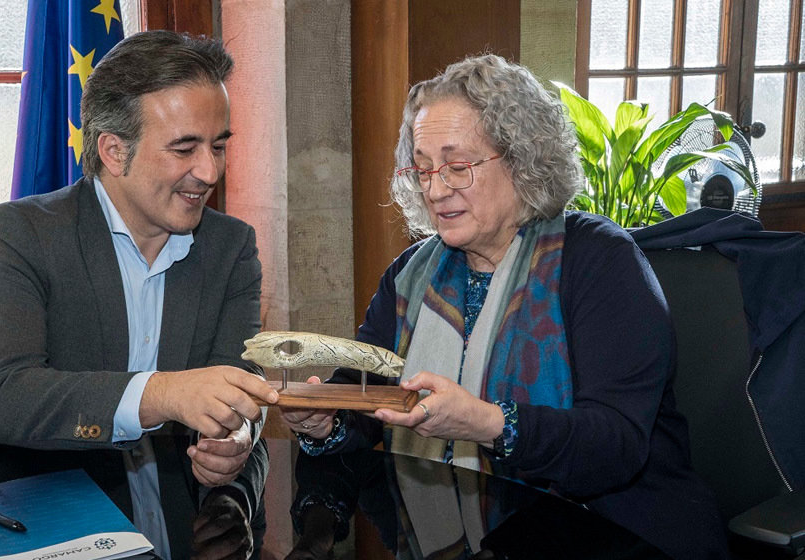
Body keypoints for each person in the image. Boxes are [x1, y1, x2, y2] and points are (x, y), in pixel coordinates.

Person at [282, 54, 727, 560]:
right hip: (469, 528)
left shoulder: (598, 261)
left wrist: (488, 423)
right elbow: (369, 395)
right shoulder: (413, 274)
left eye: (456, 166)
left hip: (619, 535)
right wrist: (327, 420)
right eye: (423, 168)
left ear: (521, 159)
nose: (434, 189)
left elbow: (614, 447)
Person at [0, 30, 279, 560]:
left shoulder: (231, 249)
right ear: (114, 152)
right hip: (2, 511)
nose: (209, 172)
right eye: (185, 148)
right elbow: (4, 398)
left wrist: (235, 437)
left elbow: (238, 379)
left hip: (171, 511)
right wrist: (164, 393)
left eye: (219, 145)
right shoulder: (20, 234)